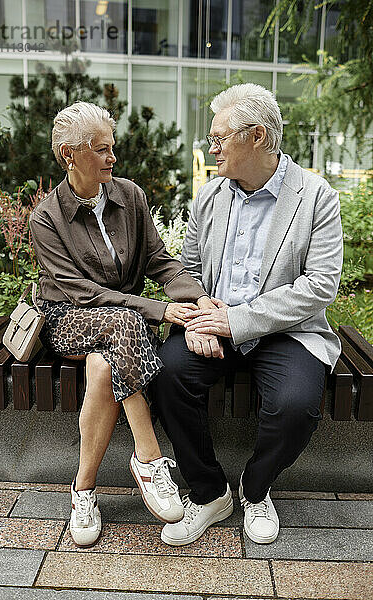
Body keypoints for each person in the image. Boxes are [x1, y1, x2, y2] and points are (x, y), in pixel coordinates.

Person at [153, 83, 343, 546]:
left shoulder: (316, 197)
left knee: (296, 406)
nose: (211, 148)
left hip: (287, 332)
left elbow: (319, 286)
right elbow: (189, 269)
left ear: (256, 136)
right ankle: (209, 492)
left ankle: (255, 489)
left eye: (219, 138)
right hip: (215, 322)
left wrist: (237, 322)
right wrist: (200, 312)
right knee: (166, 373)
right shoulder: (211, 195)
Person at [29, 101, 208, 548]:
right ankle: (148, 456)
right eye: (102, 149)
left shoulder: (130, 196)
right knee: (124, 318)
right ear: (70, 154)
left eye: (113, 148)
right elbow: (80, 293)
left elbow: (159, 261)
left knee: (106, 366)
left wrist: (199, 299)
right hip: (70, 319)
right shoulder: (46, 218)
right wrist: (157, 310)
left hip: (121, 332)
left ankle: (83, 489)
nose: (113, 158)